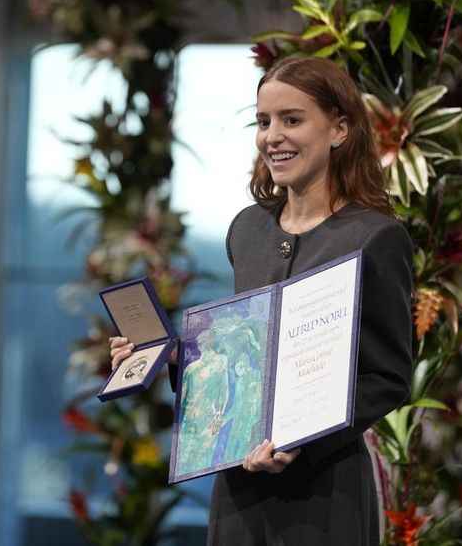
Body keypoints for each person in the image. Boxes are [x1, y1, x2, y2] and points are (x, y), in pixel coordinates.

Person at [110, 55, 413, 544]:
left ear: (339, 129)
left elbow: (388, 378)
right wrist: (168, 357)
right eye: (264, 121)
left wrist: (301, 440)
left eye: (292, 120)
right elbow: (243, 354)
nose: (273, 135)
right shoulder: (247, 229)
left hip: (324, 491)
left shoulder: (376, 237)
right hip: (239, 487)